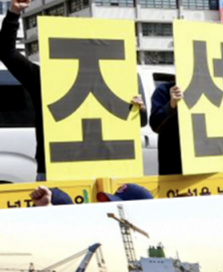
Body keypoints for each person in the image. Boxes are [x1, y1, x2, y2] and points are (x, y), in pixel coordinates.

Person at [0, 0, 146, 181]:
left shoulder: (115, 80)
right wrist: (14, 13)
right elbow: (7, 52)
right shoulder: (43, 78)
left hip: (105, 167)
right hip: (55, 167)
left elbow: (136, 123)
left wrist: (139, 109)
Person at [150, 80, 223, 175]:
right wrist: (171, 105)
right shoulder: (165, 91)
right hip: (176, 169)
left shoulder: (219, 90)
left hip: (213, 169)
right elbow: (156, 125)